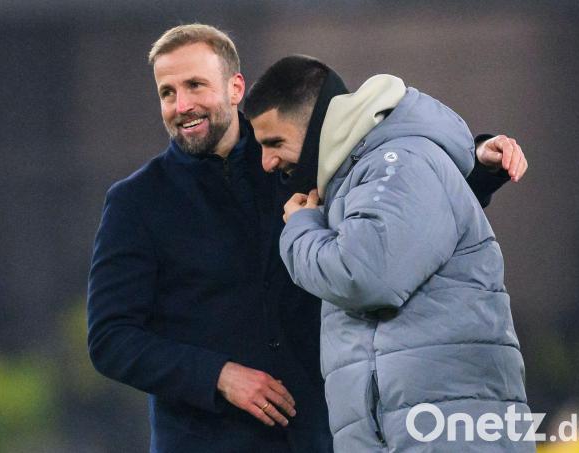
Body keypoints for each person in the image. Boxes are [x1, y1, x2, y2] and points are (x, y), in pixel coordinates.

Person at [87, 24, 527, 453]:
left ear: (235, 88)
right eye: (167, 92)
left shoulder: (303, 164)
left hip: (325, 432)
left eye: (195, 85)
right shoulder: (136, 201)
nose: (182, 104)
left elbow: (398, 219)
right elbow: (110, 338)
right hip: (209, 437)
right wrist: (217, 376)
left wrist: (474, 167)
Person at [243, 55, 533, 451]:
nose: (267, 162)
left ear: (316, 128)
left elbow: (364, 278)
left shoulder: (399, 162)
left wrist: (300, 228)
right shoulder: (359, 176)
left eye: (274, 142)